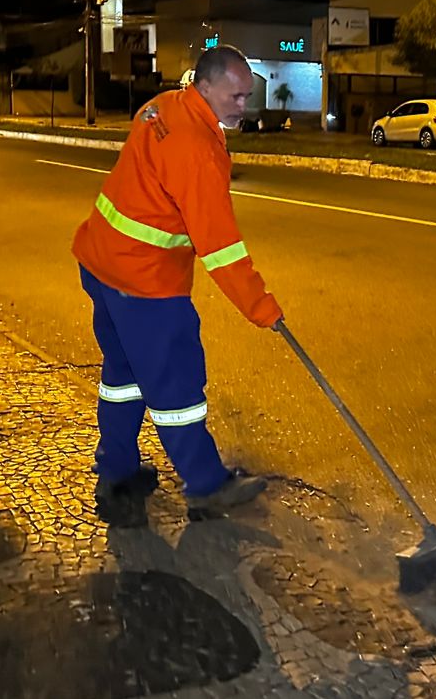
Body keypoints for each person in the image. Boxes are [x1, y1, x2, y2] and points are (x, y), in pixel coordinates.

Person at [72, 45, 283, 521]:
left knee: (124, 378)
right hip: (143, 282)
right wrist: (262, 308)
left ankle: (117, 472)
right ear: (204, 86)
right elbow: (221, 248)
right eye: (233, 96)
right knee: (177, 388)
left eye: (247, 96)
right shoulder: (197, 149)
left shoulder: (163, 106)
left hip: (101, 261)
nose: (241, 106)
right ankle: (206, 485)